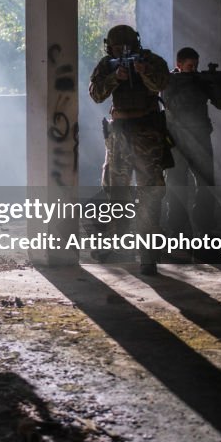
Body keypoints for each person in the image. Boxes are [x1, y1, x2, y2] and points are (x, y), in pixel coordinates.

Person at [89, 26, 171, 275]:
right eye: (115, 48)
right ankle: (118, 246)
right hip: (120, 133)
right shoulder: (107, 64)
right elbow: (96, 95)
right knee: (117, 194)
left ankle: (148, 256)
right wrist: (116, 77)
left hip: (147, 130)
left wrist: (143, 72)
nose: (119, 51)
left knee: (150, 194)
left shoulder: (151, 60)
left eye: (123, 47)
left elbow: (162, 83)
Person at [161, 46, 221, 238]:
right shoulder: (170, 81)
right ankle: (176, 226)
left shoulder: (200, 81)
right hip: (176, 139)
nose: (194, 69)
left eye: (196, 66)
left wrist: (219, 85)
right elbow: (172, 104)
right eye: (190, 66)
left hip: (200, 137)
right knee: (176, 183)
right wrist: (195, 85)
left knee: (207, 183)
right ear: (179, 65)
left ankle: (204, 223)